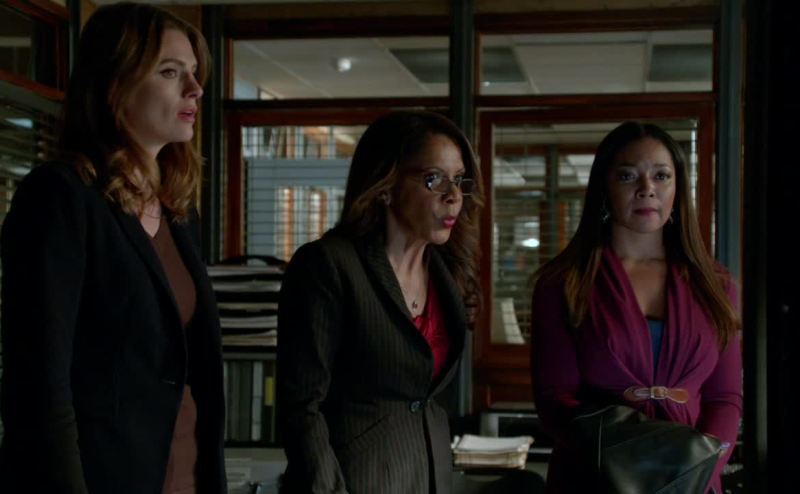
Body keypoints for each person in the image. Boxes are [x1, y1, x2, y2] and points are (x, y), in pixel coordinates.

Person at [0, 3, 226, 493]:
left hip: (187, 473)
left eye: (194, 72)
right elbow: (39, 384)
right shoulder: (60, 197)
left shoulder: (177, 211)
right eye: (171, 72)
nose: (195, 88)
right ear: (115, 84)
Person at [530, 122, 742, 494]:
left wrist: (694, 469)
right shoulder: (563, 283)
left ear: (678, 188)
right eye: (628, 176)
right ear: (604, 187)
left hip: (692, 483)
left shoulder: (717, 285)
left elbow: (724, 397)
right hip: (594, 481)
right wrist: (635, 461)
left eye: (661, 176)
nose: (647, 189)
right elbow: (555, 401)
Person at [277, 110, 483, 493]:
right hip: (353, 481)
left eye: (458, 180)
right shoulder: (328, 265)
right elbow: (302, 407)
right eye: (434, 179)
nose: (453, 196)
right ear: (385, 185)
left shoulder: (448, 274)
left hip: (429, 477)